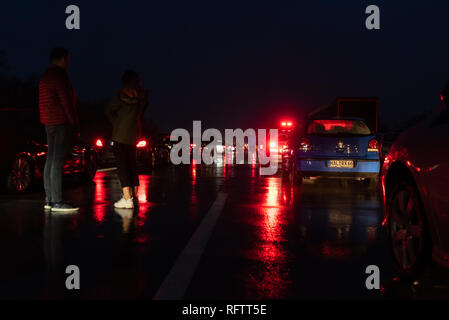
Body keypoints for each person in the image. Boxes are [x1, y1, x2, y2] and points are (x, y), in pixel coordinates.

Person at [39, 47, 79, 212]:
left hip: (48, 122)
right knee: (57, 160)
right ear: (62, 58)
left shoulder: (45, 75)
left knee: (50, 159)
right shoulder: (59, 75)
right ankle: (57, 201)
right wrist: (73, 121)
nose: (69, 62)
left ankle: (49, 199)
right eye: (68, 59)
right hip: (60, 121)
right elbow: (66, 100)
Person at [105, 70, 149, 209]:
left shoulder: (119, 95)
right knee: (132, 165)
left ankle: (126, 198)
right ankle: (134, 197)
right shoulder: (143, 97)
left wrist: (116, 122)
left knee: (122, 166)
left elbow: (107, 110)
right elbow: (141, 115)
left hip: (119, 134)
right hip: (134, 133)